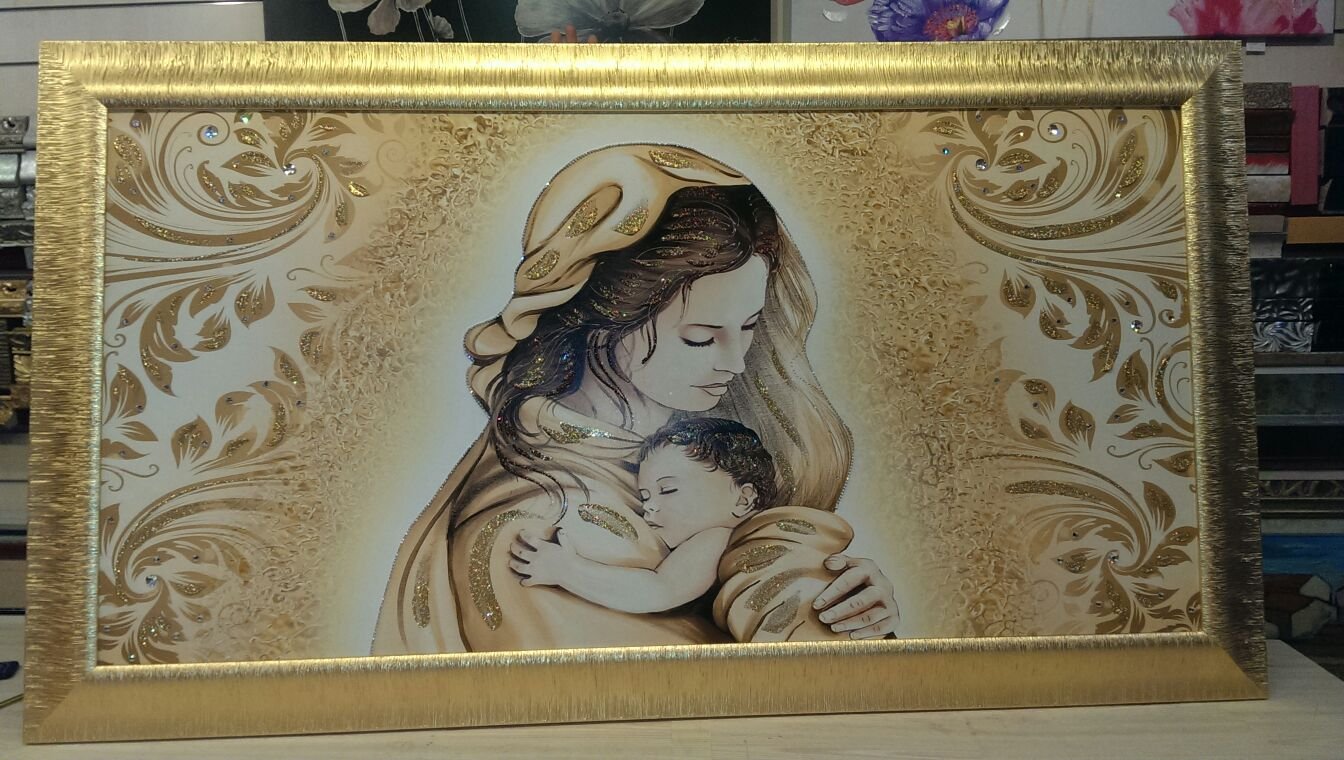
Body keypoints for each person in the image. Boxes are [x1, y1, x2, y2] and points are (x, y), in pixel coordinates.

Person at [373, 144, 899, 653]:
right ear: (605, 324)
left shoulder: (699, 451)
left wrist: (837, 603)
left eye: (749, 328)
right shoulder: (534, 523)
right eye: (700, 337)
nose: (737, 363)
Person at [506, 417, 853, 642]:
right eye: (645, 497)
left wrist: (566, 569)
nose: (650, 507)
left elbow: (658, 590)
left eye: (668, 490)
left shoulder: (716, 537)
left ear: (744, 499)